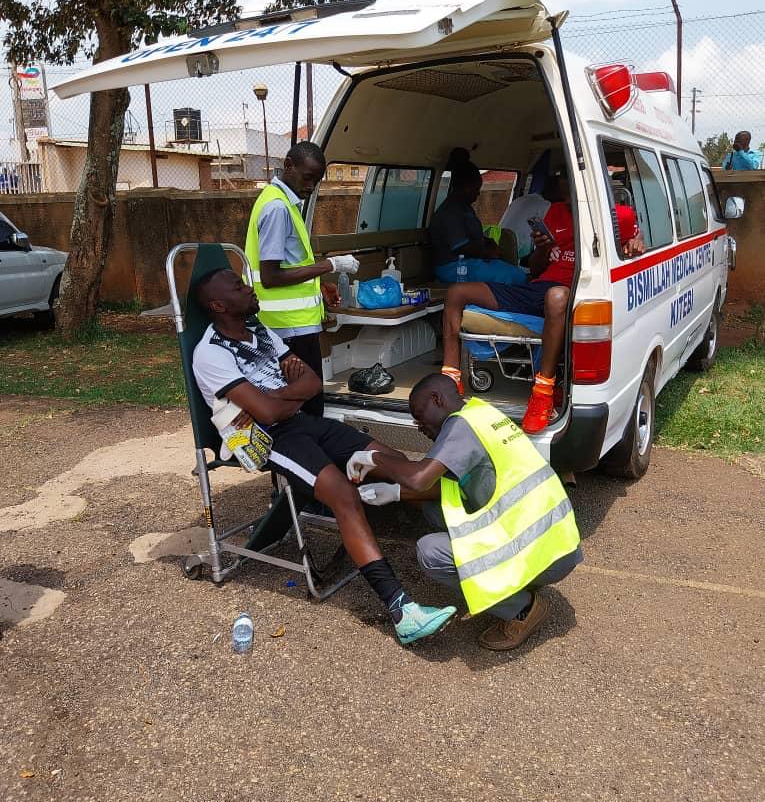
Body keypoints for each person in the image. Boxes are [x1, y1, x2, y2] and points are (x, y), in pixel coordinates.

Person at [191, 266, 457, 646]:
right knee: (343, 495)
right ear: (218, 305)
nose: (250, 289)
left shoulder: (259, 332)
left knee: (394, 460)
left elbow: (311, 384)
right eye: (238, 286)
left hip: (299, 421)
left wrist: (276, 396)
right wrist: (283, 394)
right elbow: (265, 417)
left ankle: (452, 520)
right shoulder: (211, 354)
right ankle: (402, 611)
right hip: (268, 439)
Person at [347, 374, 583, 651]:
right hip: (555, 544)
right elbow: (443, 488)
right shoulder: (481, 414)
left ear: (437, 399)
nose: (419, 426)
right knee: (435, 512)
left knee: (430, 552)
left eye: (420, 415)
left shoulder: (460, 426)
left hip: (539, 552)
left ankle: (523, 609)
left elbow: (420, 478)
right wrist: (396, 493)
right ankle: (518, 582)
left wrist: (373, 458)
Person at [440, 171, 644, 434]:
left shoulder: (618, 216)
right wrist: (543, 249)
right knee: (456, 292)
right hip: (538, 288)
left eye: (572, 182)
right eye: (564, 182)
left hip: (576, 293)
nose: (567, 188)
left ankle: (543, 390)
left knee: (556, 297)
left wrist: (636, 242)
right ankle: (451, 379)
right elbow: (536, 270)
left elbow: (639, 243)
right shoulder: (555, 213)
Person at [244, 141, 360, 417]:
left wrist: (319, 285)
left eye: (316, 181)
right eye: (308, 178)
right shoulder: (277, 209)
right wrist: (330, 265)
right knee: (306, 403)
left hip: (294, 325)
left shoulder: (285, 202)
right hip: (287, 328)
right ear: (288, 165)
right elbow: (271, 276)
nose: (311, 187)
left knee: (303, 401)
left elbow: (293, 263)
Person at [429, 151, 528, 287]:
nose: (478, 193)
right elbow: (461, 246)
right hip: (453, 266)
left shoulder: (465, 208)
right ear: (466, 188)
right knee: (511, 277)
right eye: (476, 189)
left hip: (471, 262)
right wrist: (488, 252)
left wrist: (488, 242)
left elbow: (473, 236)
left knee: (517, 274)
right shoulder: (450, 212)